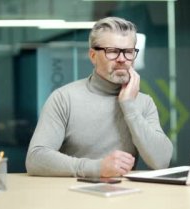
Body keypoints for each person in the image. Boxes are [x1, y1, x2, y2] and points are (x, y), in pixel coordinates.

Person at [25, 16, 173, 178]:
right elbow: (35, 159)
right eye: (113, 51)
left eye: (128, 52)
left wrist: (129, 106)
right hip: (72, 198)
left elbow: (161, 161)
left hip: (126, 198)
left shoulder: (144, 103)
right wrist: (97, 168)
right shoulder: (63, 98)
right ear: (93, 56)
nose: (122, 59)